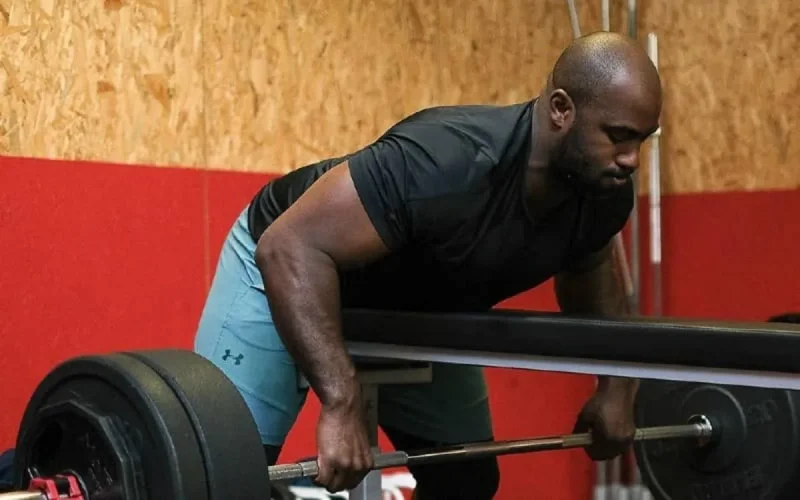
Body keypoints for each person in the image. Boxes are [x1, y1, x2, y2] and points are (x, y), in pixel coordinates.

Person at [193, 31, 662, 498]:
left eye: (642, 140)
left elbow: (589, 270)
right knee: (226, 476)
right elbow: (289, 247)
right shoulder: (447, 162)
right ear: (562, 109)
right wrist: (341, 400)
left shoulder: (601, 193)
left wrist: (617, 388)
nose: (631, 160)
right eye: (618, 137)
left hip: (414, 305)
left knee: (466, 481)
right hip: (286, 267)